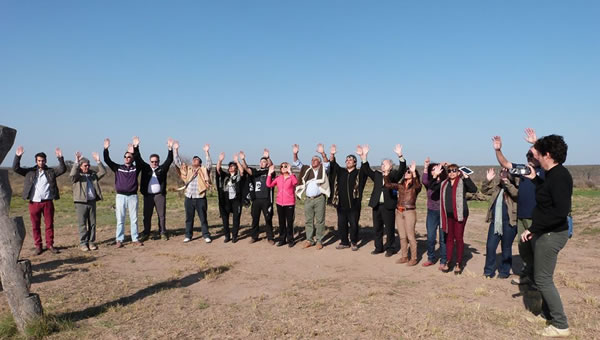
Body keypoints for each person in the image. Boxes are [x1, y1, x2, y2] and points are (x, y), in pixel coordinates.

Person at [520, 134, 572, 337]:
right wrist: (534, 179)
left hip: (552, 234)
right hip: (545, 231)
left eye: (538, 153)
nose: (535, 156)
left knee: (542, 279)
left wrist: (534, 228)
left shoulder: (560, 176)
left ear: (547, 155)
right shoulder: (551, 174)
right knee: (542, 277)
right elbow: (546, 194)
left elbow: (559, 211)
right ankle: (547, 314)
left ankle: (561, 324)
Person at [493, 128, 544, 285]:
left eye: (532, 154)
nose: (529, 157)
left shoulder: (546, 171)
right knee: (524, 249)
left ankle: (539, 280)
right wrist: (498, 150)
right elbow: (505, 163)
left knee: (537, 250)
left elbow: (553, 157)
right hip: (521, 216)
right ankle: (528, 276)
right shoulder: (523, 170)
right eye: (527, 155)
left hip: (536, 218)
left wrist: (536, 142)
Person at [13, 146, 66, 255]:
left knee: (49, 224)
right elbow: (16, 168)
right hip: (34, 202)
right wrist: (18, 156)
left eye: (42, 160)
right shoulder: (30, 172)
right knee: (35, 225)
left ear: (45, 161)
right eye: (39, 160)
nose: (41, 162)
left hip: (47, 202)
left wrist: (60, 158)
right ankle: (38, 246)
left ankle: (50, 244)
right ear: (36, 161)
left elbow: (62, 169)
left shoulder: (51, 171)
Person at [358, 144, 406, 257]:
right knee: (377, 228)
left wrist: (400, 155)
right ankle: (378, 247)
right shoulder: (377, 175)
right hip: (376, 205)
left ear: (390, 166)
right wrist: (364, 157)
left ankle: (390, 248)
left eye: (384, 164)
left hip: (388, 206)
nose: (382, 165)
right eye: (382, 164)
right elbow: (366, 170)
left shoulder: (394, 176)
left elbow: (402, 168)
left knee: (389, 229)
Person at [430, 163, 477, 274]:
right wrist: (434, 176)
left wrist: (466, 177)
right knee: (449, 238)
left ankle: (458, 263)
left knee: (459, 238)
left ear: (458, 172)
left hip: (461, 215)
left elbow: (473, 189)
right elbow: (432, 187)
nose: (451, 173)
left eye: (454, 170)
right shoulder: (444, 183)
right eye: (449, 171)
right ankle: (448, 261)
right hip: (447, 215)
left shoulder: (462, 182)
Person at [103, 138, 143, 247]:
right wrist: (106, 149)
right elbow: (107, 160)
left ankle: (135, 239)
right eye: (125, 157)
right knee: (120, 219)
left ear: (132, 158)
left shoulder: (136, 168)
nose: (126, 158)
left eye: (129, 157)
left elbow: (140, 160)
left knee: (134, 219)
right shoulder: (118, 168)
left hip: (133, 196)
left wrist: (135, 148)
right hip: (120, 197)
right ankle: (119, 240)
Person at [133, 136, 174, 241]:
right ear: (150, 161)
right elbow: (138, 158)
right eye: (152, 161)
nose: (154, 163)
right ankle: (146, 232)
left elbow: (169, 160)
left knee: (162, 215)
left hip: (159, 195)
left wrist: (170, 149)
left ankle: (163, 232)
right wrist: (136, 146)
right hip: (148, 196)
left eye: (156, 161)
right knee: (147, 215)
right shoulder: (146, 168)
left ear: (158, 161)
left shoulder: (162, 169)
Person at [481, 168, 518, 278]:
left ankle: (504, 271)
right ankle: (488, 271)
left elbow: (515, 194)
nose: (503, 173)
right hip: (495, 223)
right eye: (501, 172)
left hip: (509, 223)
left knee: (506, 248)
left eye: (506, 171)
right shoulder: (497, 188)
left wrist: (506, 181)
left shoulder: (515, 187)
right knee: (490, 246)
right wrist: (487, 180)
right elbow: (484, 191)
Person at [329, 144, 367, 251]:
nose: (348, 161)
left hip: (354, 205)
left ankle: (354, 242)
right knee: (342, 224)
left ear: (355, 162)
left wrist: (362, 156)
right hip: (341, 205)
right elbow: (333, 164)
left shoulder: (359, 173)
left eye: (351, 160)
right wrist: (332, 154)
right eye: (347, 160)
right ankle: (344, 242)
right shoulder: (341, 172)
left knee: (354, 224)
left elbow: (365, 168)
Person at [292, 143, 330, 250]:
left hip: (319, 199)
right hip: (308, 199)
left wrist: (322, 153)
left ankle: (319, 240)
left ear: (319, 162)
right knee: (308, 220)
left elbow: (327, 163)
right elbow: (296, 162)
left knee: (320, 221)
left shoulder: (323, 169)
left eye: (316, 159)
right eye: (312, 159)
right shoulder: (306, 170)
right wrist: (295, 153)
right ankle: (309, 239)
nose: (313, 161)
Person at [173, 142, 212, 243]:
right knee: (189, 218)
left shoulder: (203, 170)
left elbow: (209, 165)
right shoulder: (188, 169)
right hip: (189, 197)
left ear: (200, 162)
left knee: (203, 218)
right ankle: (188, 235)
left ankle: (206, 235)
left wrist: (207, 152)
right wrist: (176, 150)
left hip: (200, 197)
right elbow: (177, 162)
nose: (195, 160)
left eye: (197, 159)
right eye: (194, 159)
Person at [384, 161, 422, 265]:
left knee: (410, 236)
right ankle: (404, 256)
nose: (406, 173)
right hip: (399, 212)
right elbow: (387, 184)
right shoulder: (400, 186)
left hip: (409, 212)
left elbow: (418, 185)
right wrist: (386, 172)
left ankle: (414, 258)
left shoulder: (415, 187)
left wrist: (414, 173)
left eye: (408, 172)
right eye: (406, 172)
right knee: (402, 236)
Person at [69, 151, 106, 251]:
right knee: (82, 224)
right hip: (80, 203)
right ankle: (83, 243)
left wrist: (98, 161)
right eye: (85, 165)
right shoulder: (77, 177)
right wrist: (76, 162)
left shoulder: (92, 175)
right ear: (80, 166)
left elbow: (103, 172)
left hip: (92, 202)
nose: (87, 167)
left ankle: (91, 242)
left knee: (92, 224)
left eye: (88, 165)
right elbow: (72, 175)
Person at [239, 149, 275, 244]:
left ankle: (270, 237)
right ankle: (254, 236)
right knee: (255, 219)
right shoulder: (255, 172)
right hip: (256, 200)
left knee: (268, 219)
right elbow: (246, 169)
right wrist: (243, 160)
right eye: (262, 161)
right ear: (259, 163)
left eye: (265, 162)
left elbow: (272, 166)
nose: (263, 163)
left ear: (267, 164)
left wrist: (268, 157)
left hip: (266, 199)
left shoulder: (269, 172)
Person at [421, 158, 448, 269]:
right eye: (432, 170)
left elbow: (456, 173)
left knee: (443, 238)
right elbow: (424, 180)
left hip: (443, 212)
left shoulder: (445, 182)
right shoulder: (429, 183)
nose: (434, 171)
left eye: (437, 169)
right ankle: (431, 258)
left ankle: (443, 260)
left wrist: (448, 164)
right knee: (431, 236)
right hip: (431, 212)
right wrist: (426, 166)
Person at [215, 152, 246, 243]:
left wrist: (237, 161)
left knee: (236, 218)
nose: (231, 168)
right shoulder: (225, 176)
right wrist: (220, 160)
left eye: (233, 166)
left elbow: (242, 171)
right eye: (230, 166)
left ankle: (234, 236)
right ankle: (227, 236)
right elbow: (218, 169)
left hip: (236, 200)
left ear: (235, 168)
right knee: (225, 219)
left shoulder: (237, 177)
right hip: (225, 200)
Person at [266, 162, 298, 247]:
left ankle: (290, 240)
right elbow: (269, 184)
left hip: (290, 203)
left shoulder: (292, 177)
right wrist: (269, 173)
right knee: (281, 222)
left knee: (290, 223)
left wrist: (290, 172)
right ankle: (282, 239)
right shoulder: (278, 178)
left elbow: (295, 183)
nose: (283, 168)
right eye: (282, 167)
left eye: (285, 166)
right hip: (280, 203)